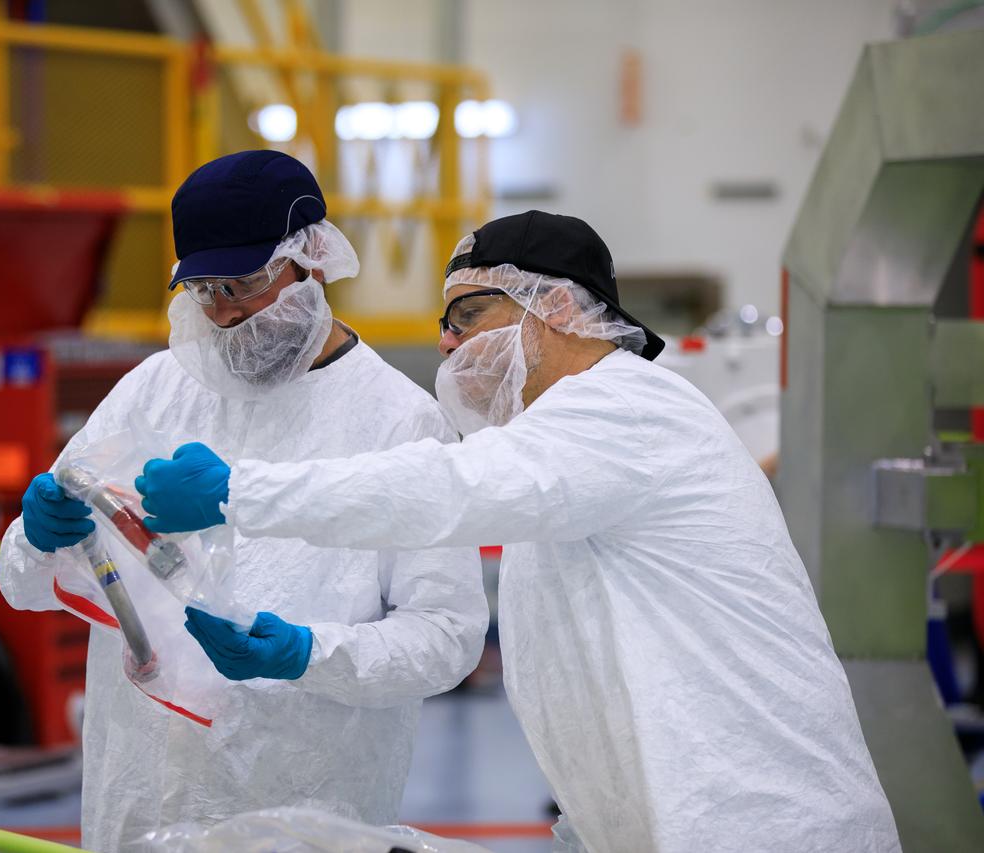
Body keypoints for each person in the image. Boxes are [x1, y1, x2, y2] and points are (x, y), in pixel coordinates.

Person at [135, 211, 902, 853]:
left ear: (560, 309)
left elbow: (446, 485)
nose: (445, 343)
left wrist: (239, 490)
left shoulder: (627, 408)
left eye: (468, 316)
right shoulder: (562, 464)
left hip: (763, 828)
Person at [0, 150, 487, 849]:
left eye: (246, 283)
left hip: (307, 810)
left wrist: (305, 653)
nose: (224, 312)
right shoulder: (153, 391)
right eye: (203, 289)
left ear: (313, 259)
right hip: (137, 803)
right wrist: (36, 539)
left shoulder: (399, 422)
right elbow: (29, 585)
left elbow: (446, 636)